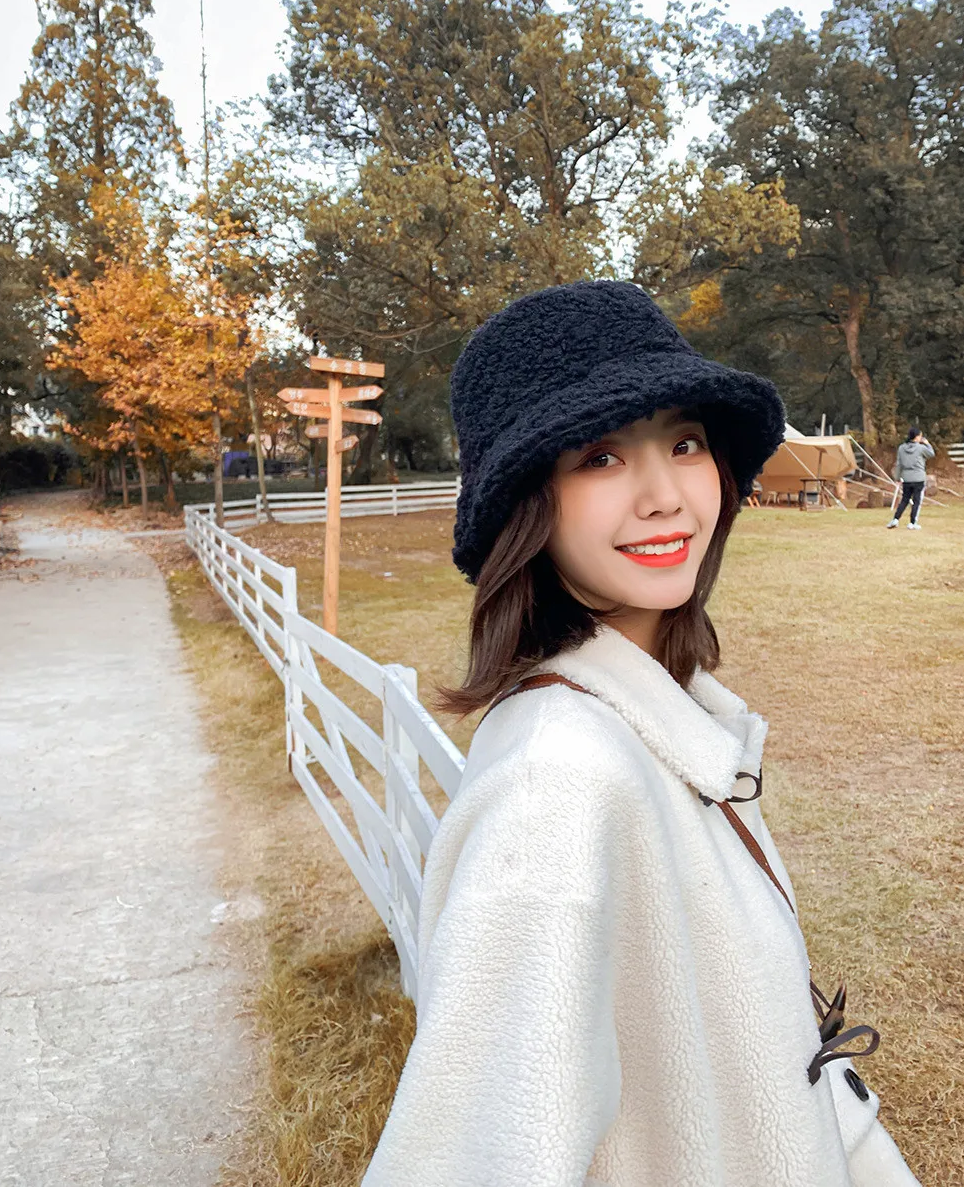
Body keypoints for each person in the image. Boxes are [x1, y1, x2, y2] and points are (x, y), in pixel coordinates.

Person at [362, 281, 919, 1187]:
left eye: (684, 442)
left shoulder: (662, 716)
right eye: (600, 456)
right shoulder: (556, 783)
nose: (665, 495)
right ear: (525, 504)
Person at [886, 428, 935, 530]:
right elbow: (931, 454)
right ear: (917, 437)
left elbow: (899, 464)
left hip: (906, 478)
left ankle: (895, 519)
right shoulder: (921, 448)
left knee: (904, 500)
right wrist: (927, 444)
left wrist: (897, 477)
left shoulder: (901, 448)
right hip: (918, 477)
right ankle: (913, 522)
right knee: (917, 501)